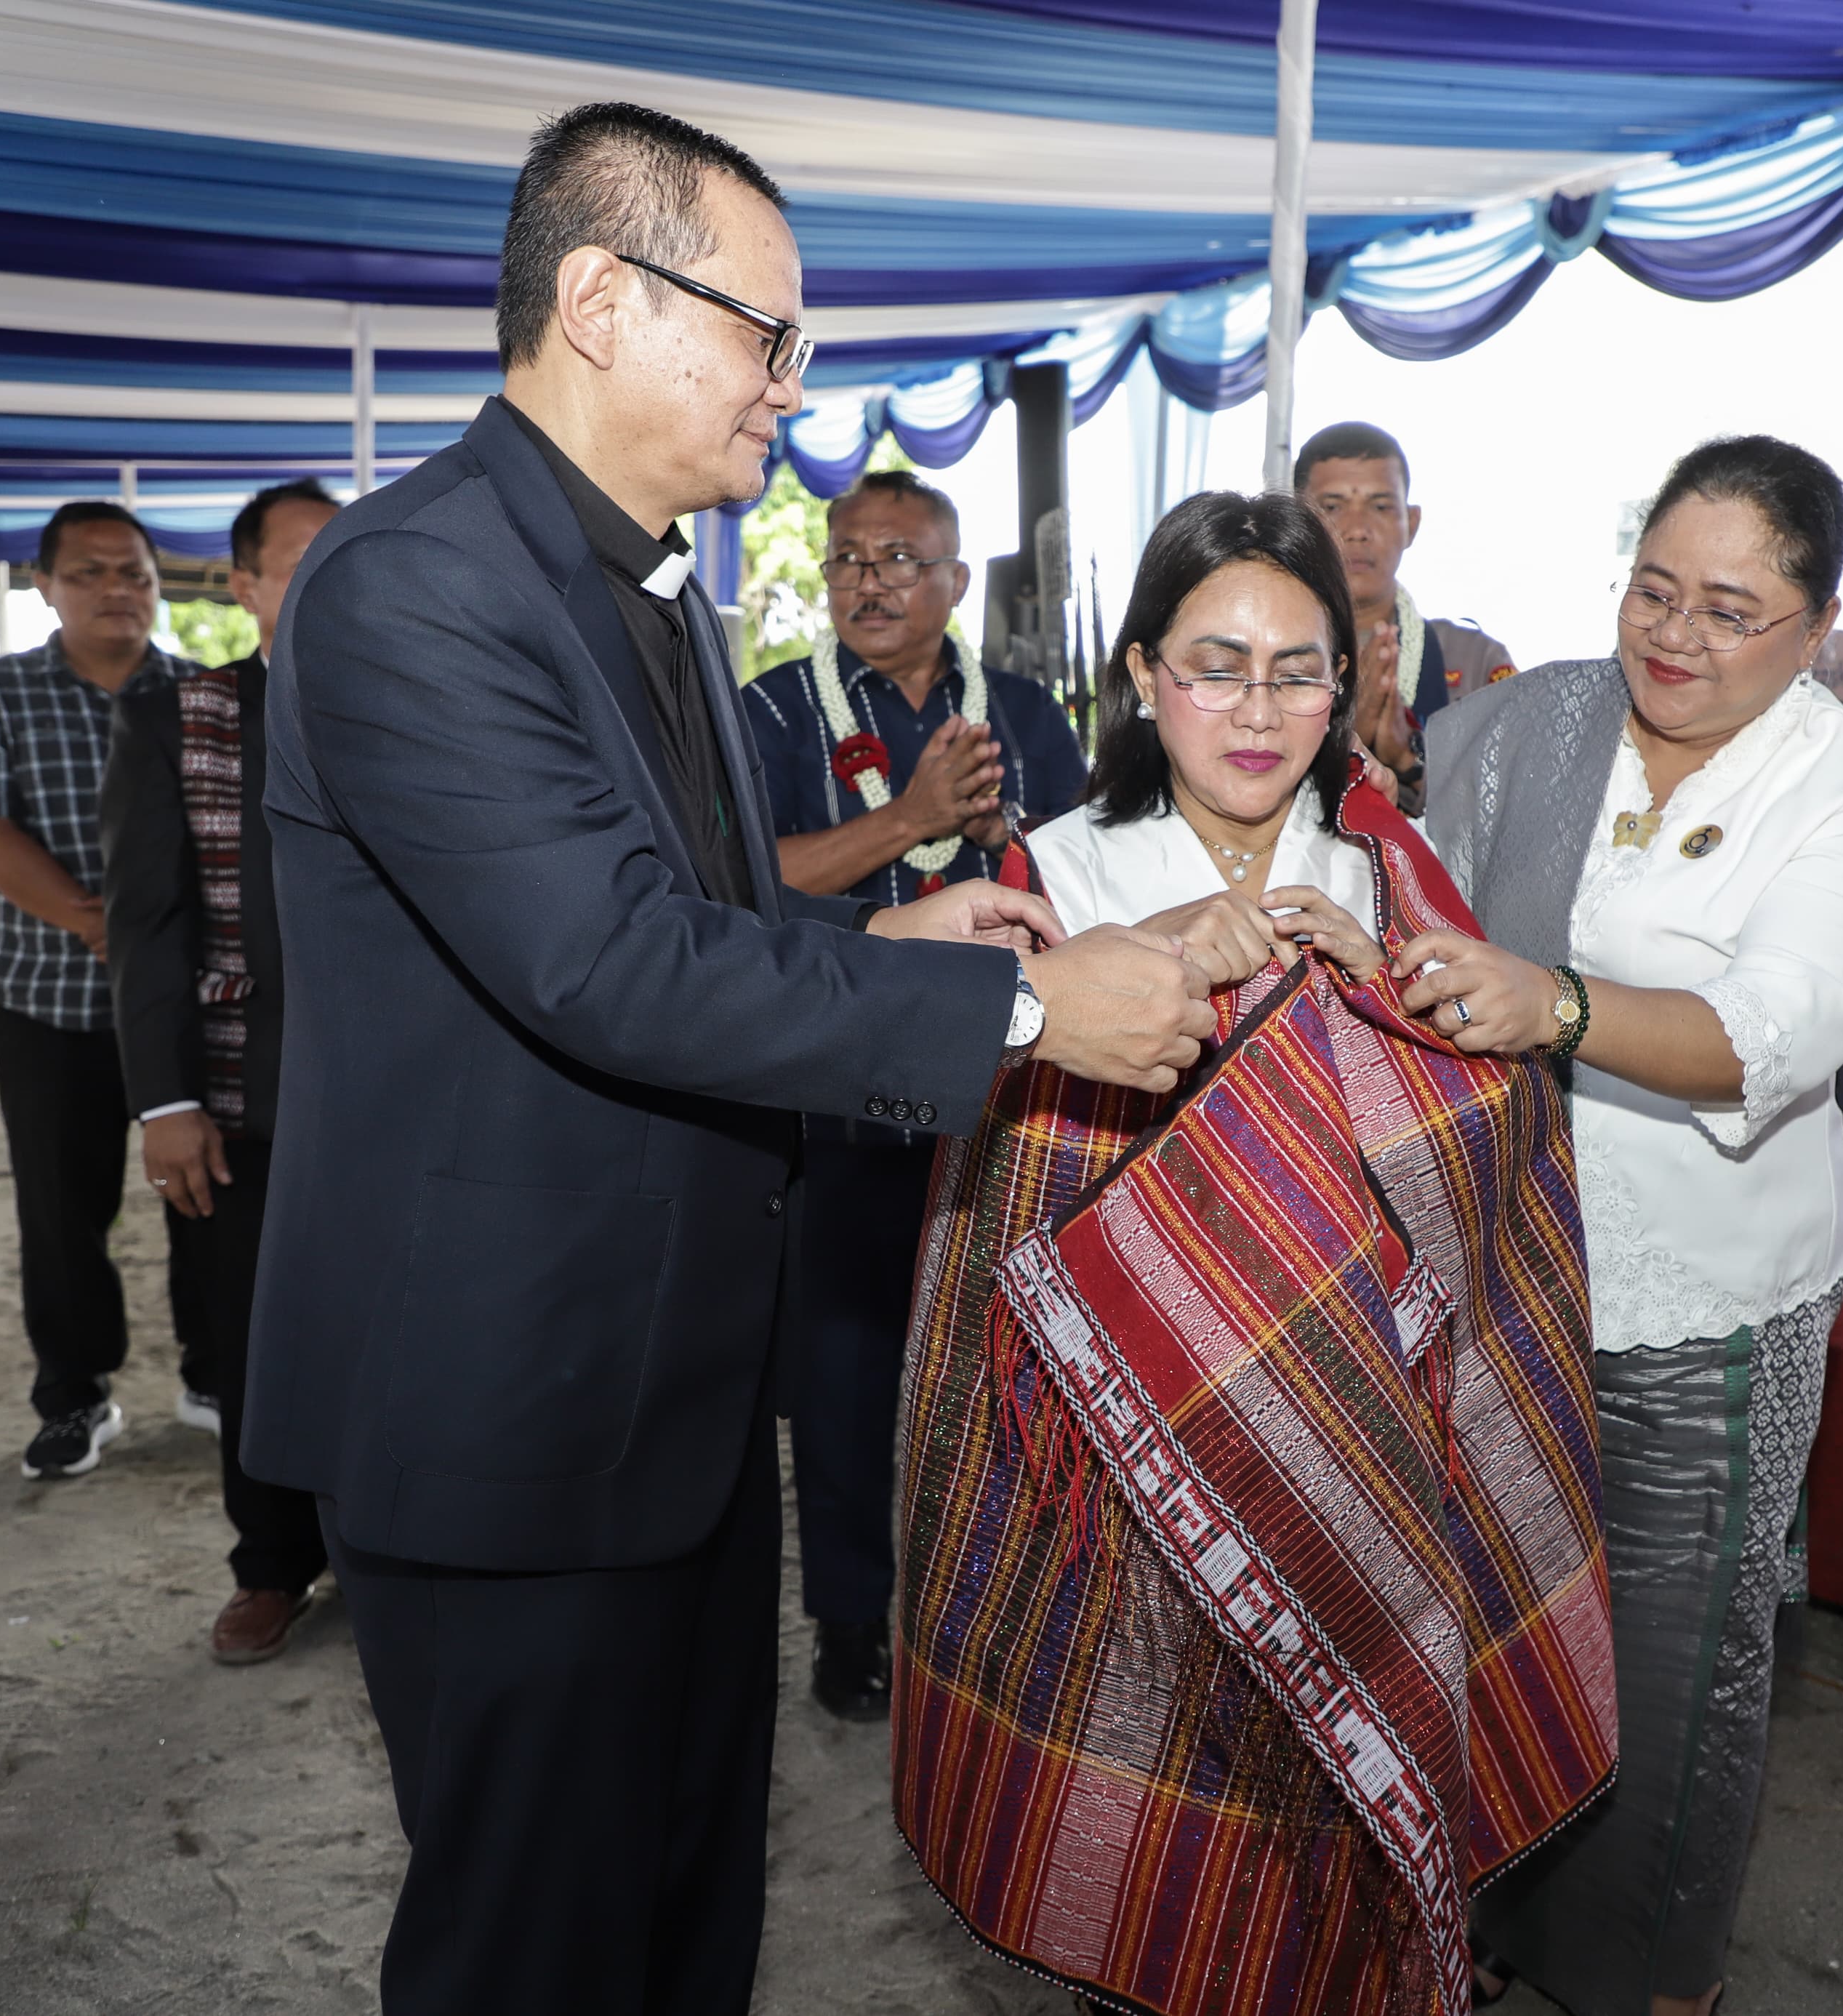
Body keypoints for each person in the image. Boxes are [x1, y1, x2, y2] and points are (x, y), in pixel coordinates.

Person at [241, 103, 1213, 2016]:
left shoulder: (664, 581)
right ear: (601, 300)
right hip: (503, 1414)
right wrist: (1021, 1009)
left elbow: (690, 913)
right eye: (767, 330)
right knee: (535, 1941)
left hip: (671, 1395)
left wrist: (890, 934)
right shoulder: (412, 581)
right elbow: (599, 962)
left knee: (689, 1912)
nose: (796, 382)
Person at [894, 489, 1615, 2016]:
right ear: (1145, 675)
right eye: (1214, 665)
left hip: (1353, 1440)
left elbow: (1495, 1155)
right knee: (1152, 1829)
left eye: (1298, 671)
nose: (1256, 708)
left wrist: (1400, 1021)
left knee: (1331, 1817)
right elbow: (988, 1192)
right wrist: (1157, 966)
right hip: (1119, 1469)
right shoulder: (1055, 882)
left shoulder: (1386, 878)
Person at [1421, 435, 1843, 2016]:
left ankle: (1649, 1983)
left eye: (1728, 608)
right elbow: (1417, 899)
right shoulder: (1540, 725)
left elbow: (1770, 1035)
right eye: (1654, 589)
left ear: (1815, 625)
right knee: (1498, 1626)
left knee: (1670, 1675)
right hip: (1511, 1272)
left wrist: (1555, 1005)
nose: (1674, 638)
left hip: (1701, 1304)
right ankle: (1495, 1927)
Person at [742, 465, 1088, 1720]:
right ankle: (848, 1619)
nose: (869, 580)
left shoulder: (1029, 712)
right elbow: (745, 894)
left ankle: (999, 1608)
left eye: (900, 559)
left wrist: (1001, 837)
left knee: (1009, 1363)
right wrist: (914, 820)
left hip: (1006, 1096)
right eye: (847, 557)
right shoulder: (775, 712)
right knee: (842, 1369)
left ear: (954, 580)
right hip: (839, 1100)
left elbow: (1079, 868)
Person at [103, 477, 340, 1666]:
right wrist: (169, 1099)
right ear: (243, 585)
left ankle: (388, 1547)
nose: (322, 582)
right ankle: (272, 1562)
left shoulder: (418, 704)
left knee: (398, 1329)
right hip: (244, 1095)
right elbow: (150, 924)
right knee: (254, 1336)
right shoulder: (181, 716)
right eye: (295, 563)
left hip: (396, 1096)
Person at [0, 501, 197, 1481]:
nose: (116, 589)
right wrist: (101, 923)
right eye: (88, 572)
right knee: (60, 1208)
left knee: (210, 1195)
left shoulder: (199, 693)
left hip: (190, 1004)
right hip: (51, 999)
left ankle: (216, 1376)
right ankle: (74, 1395)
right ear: (45, 585)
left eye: (132, 571)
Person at [1295, 419, 1514, 816]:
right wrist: (1342, 746)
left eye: (1380, 507)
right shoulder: (1263, 660)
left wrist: (1409, 761)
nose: (1357, 529)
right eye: (1332, 507)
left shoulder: (1473, 660)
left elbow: (1516, 809)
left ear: (1411, 524)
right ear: (1298, 524)